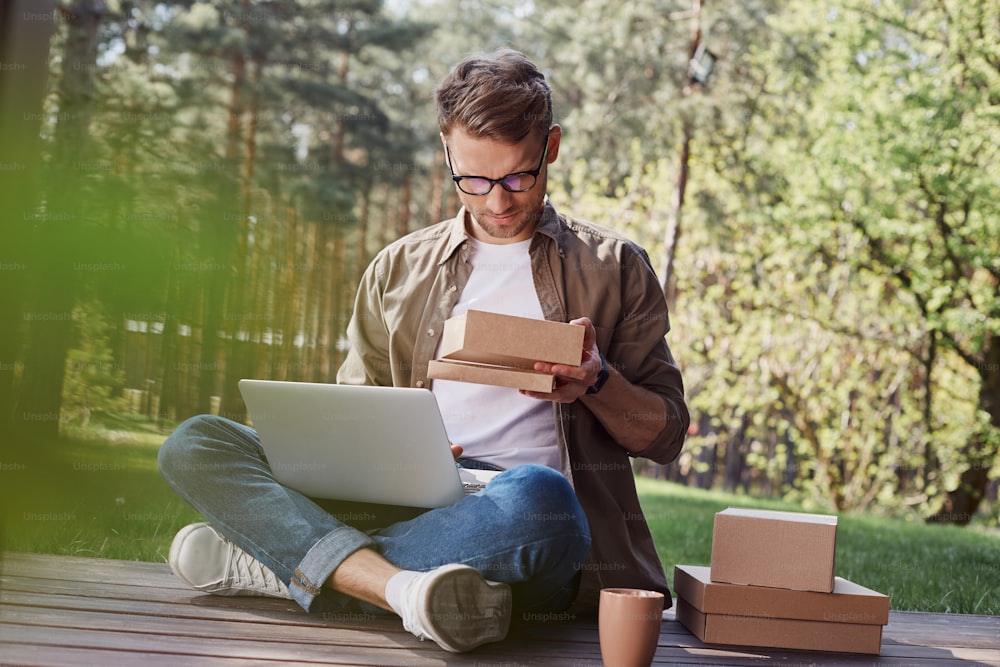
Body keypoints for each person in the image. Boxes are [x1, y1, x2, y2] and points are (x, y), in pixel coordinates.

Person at [158, 48, 689, 654]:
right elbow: (348, 421)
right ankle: (414, 592)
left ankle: (295, 569)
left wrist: (597, 381)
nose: (497, 202)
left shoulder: (615, 268)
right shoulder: (399, 268)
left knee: (541, 498)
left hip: (516, 521)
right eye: (473, 180)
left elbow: (666, 435)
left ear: (552, 147)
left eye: (519, 175)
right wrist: (401, 450)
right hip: (403, 509)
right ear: (447, 155)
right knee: (196, 441)